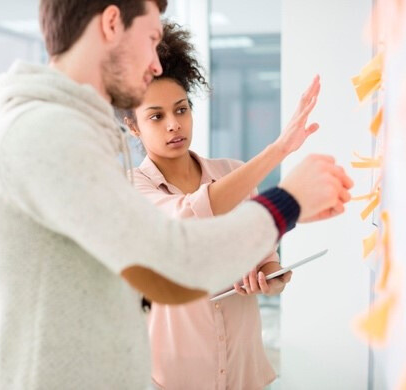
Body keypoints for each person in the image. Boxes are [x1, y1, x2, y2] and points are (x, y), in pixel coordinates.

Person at [0, 0, 353, 388]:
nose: (156, 63)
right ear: (112, 23)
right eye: (152, 39)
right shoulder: (48, 134)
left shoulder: (79, 133)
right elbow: (173, 262)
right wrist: (288, 200)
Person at [120, 22, 321, 389]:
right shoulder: (133, 187)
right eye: (156, 116)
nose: (173, 125)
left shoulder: (234, 174)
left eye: (181, 110)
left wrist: (271, 278)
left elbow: (265, 258)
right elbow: (185, 218)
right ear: (133, 127)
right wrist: (277, 151)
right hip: (174, 374)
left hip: (243, 368)